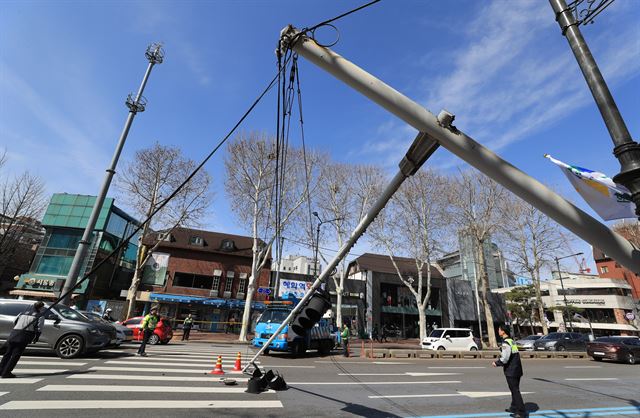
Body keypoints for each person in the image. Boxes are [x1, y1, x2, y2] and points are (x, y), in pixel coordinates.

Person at [0, 301, 45, 378]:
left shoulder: (22, 313)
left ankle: (1, 370)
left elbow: (15, 321)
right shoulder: (40, 316)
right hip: (24, 336)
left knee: (7, 353)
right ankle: (6, 372)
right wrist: (36, 337)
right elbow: (39, 328)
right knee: (16, 355)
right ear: (40, 307)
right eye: (42, 308)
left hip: (14, 333)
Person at [492, 326, 525, 418]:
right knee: (514, 389)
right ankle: (514, 407)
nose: (498, 331)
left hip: (511, 370)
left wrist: (497, 363)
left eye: (499, 329)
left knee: (515, 390)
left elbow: (505, 358)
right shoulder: (511, 341)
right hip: (517, 368)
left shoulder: (506, 343)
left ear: (503, 332)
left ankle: (521, 412)